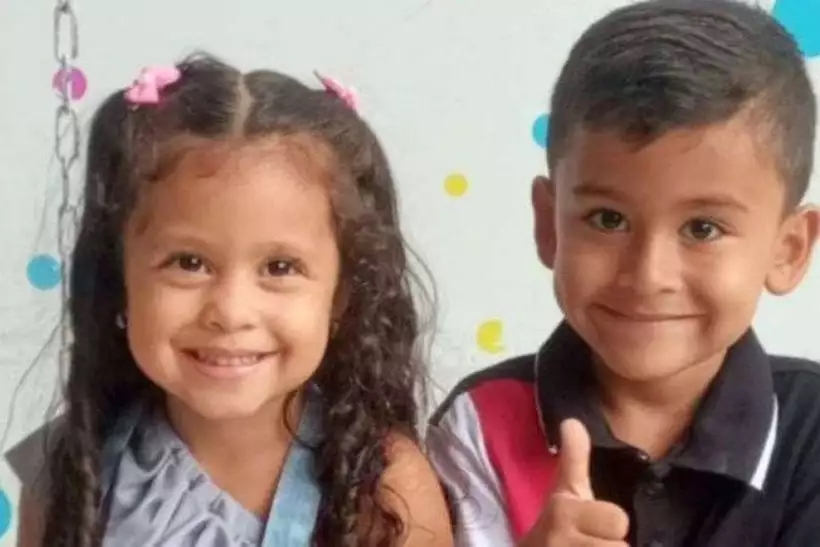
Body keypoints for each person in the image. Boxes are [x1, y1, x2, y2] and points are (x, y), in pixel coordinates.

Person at [7, 54, 452, 547]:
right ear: (120, 280)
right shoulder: (71, 474)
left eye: (279, 268)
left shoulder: (386, 488)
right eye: (188, 263)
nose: (231, 312)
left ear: (342, 295)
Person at [426, 0, 820, 545]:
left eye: (703, 228)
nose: (648, 274)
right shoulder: (479, 424)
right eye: (608, 219)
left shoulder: (811, 432)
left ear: (788, 250)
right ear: (548, 224)